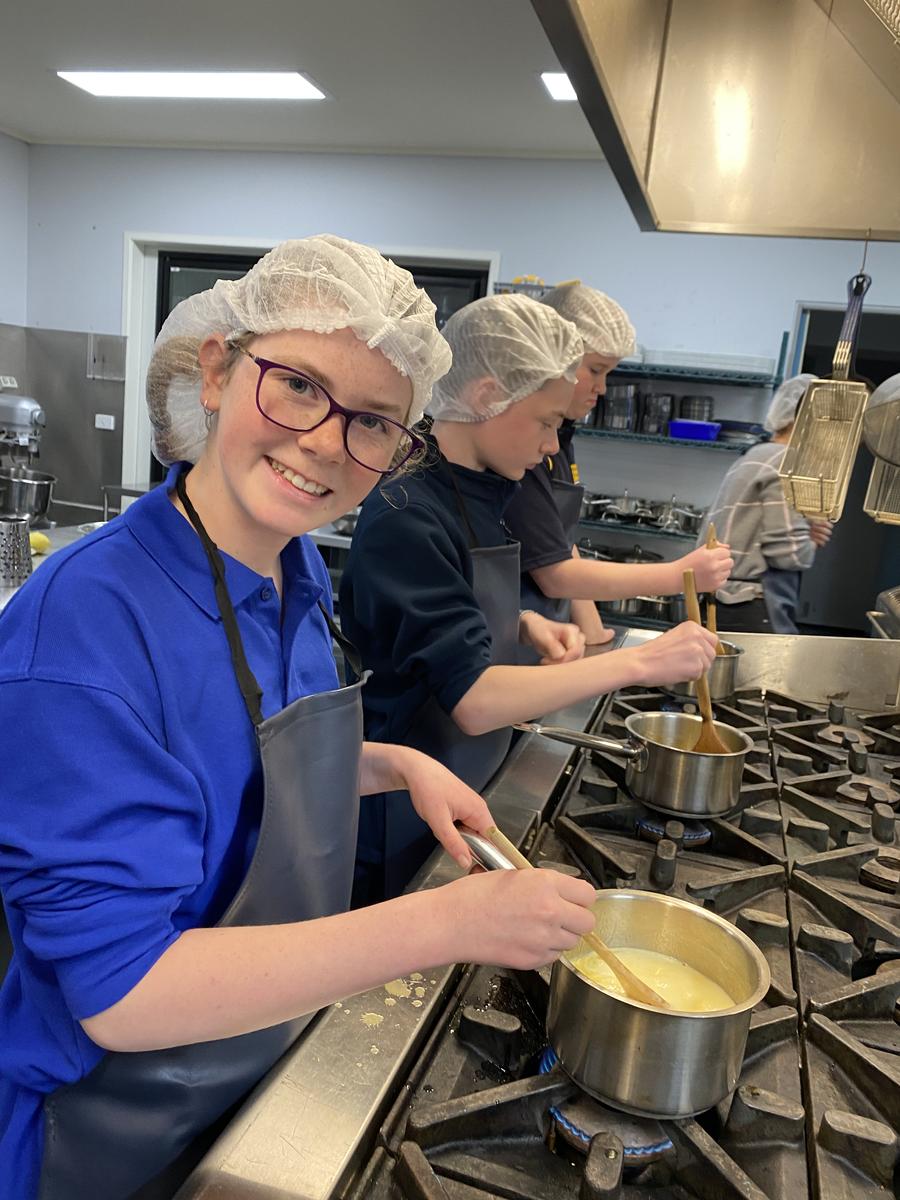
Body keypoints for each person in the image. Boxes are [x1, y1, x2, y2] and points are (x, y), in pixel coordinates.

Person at [0, 237, 605, 1200]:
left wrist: (391, 763)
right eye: (297, 386)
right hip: (111, 1133)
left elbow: (232, 766)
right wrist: (446, 922)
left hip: (249, 1067)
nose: (326, 442)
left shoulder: (294, 567)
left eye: (373, 423)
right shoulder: (84, 628)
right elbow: (123, 992)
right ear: (216, 371)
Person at [340, 292, 719, 903]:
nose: (552, 446)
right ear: (487, 396)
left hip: (468, 777)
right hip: (404, 810)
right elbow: (472, 701)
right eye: (546, 422)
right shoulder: (407, 512)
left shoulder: (481, 489)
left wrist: (517, 623)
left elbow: (437, 616)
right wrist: (640, 662)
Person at [504, 282, 732, 647]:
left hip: (551, 640)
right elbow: (555, 575)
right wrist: (680, 574)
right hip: (515, 643)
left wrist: (595, 634)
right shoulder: (521, 447)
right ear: (553, 358)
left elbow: (559, 543)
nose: (603, 388)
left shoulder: (559, 438)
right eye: (595, 370)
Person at [699, 372, 832, 633]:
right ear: (809, 418)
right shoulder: (787, 460)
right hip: (750, 603)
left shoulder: (755, 455)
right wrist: (811, 541)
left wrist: (804, 530)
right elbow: (788, 555)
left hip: (721, 598)